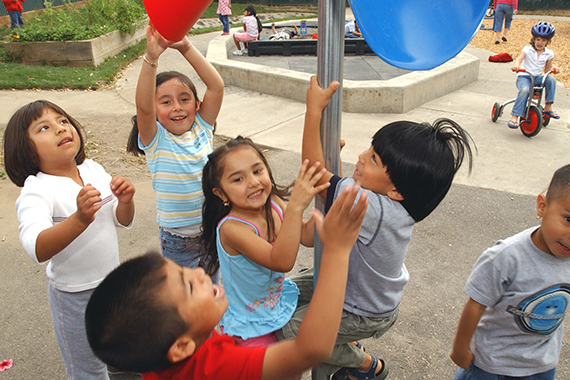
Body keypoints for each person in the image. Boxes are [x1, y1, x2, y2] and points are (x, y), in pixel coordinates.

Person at [277, 76, 475, 379]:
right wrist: (347, 173)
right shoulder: (391, 206)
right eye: (370, 149)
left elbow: (316, 176)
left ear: (396, 189)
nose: (362, 156)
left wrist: (313, 112)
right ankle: (341, 360)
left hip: (361, 309)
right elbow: (337, 202)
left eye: (373, 159)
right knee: (281, 295)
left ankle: (363, 364)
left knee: (292, 332)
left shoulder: (375, 207)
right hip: (358, 289)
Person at [85, 184, 368, 380]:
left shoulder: (157, 352)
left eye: (182, 271)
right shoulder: (214, 367)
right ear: (182, 347)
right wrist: (337, 251)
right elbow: (310, 350)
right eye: (191, 286)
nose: (198, 273)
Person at [3, 100, 136, 380]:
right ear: (25, 150)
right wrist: (78, 220)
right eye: (44, 127)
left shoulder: (91, 169)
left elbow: (120, 219)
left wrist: (125, 201)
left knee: (122, 351)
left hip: (112, 287)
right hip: (75, 299)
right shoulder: (37, 191)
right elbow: (35, 246)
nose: (60, 129)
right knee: (87, 369)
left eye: (63, 121)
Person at [450, 163, 570, 379]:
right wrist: (460, 349)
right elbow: (476, 305)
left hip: (542, 363)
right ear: (542, 206)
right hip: (492, 361)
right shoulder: (506, 257)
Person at [200, 136, 329, 347]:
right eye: (238, 179)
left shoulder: (274, 204)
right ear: (221, 193)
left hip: (275, 302)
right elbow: (280, 261)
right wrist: (296, 207)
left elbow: (306, 236)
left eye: (257, 171)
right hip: (250, 324)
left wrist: (327, 190)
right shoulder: (232, 228)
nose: (253, 182)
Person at [126, 24, 224, 275]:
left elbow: (216, 87)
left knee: (210, 295)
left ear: (197, 103)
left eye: (184, 98)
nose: (177, 107)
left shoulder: (202, 128)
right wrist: (151, 58)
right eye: (166, 102)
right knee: (183, 304)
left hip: (211, 232)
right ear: (156, 111)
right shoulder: (156, 140)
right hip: (177, 243)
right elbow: (144, 107)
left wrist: (186, 47)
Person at [508, 21, 560, 129]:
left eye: (543, 40)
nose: (540, 42)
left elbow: (547, 69)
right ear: (534, 39)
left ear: (548, 41)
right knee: (525, 91)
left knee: (551, 80)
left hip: (537, 78)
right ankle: (514, 116)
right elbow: (519, 59)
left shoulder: (549, 53)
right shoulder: (527, 50)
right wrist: (516, 66)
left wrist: (553, 69)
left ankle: (548, 106)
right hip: (524, 77)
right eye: (538, 39)